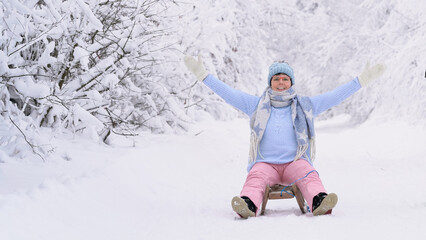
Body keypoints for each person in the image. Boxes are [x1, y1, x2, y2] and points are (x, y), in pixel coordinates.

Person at [184, 54, 385, 218]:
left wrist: (361, 81)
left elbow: (334, 96)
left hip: (295, 161)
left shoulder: (306, 106)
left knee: (308, 174)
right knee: (255, 178)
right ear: (270, 82)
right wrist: (203, 76)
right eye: (277, 78)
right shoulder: (255, 105)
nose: (281, 82)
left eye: (285, 79)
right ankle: (247, 204)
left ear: (291, 82)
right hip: (265, 163)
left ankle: (319, 201)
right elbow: (229, 93)